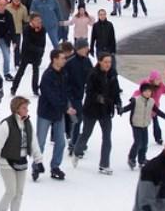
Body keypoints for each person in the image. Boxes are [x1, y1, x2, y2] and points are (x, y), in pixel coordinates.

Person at [0, 96, 45, 211]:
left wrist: (38, 161)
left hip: (21, 162)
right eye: (24, 108)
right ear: (16, 109)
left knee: (19, 193)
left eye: (27, 108)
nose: (27, 110)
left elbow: (34, 143)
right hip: (6, 162)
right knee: (11, 192)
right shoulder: (6, 124)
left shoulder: (28, 124)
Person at [72, 53, 121, 175]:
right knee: (86, 133)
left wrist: (118, 103)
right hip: (91, 110)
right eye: (105, 62)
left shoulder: (113, 74)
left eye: (109, 62)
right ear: (99, 62)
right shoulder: (93, 74)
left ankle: (104, 164)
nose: (108, 64)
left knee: (107, 137)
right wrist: (99, 98)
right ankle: (77, 151)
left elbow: (116, 91)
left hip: (106, 111)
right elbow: (89, 91)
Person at [35, 49, 75, 181]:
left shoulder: (64, 73)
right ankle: (36, 165)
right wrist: (65, 107)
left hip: (59, 113)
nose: (64, 60)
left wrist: (68, 105)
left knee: (61, 142)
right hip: (46, 112)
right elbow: (49, 95)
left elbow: (65, 92)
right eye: (62, 58)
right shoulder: (47, 76)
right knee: (40, 141)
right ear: (54, 59)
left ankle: (55, 166)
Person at [122, 83, 165, 170]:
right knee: (138, 142)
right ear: (142, 92)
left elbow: (158, 111)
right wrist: (121, 110)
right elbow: (128, 107)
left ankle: (142, 160)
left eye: (149, 91)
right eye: (146, 91)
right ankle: (131, 158)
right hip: (136, 124)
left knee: (145, 144)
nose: (148, 93)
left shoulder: (151, 102)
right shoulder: (136, 100)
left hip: (145, 125)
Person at [63, 39, 92, 155]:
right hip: (71, 96)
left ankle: (74, 142)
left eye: (87, 47)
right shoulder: (70, 62)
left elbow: (91, 76)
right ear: (78, 49)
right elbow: (64, 80)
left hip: (80, 94)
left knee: (78, 119)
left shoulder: (86, 61)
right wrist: (68, 94)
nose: (87, 49)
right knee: (77, 119)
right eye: (85, 48)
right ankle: (74, 144)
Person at [133, 71, 165, 145]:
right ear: (152, 80)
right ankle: (141, 138)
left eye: (159, 79)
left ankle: (158, 138)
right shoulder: (146, 86)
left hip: (154, 109)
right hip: (145, 110)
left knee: (156, 124)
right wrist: (133, 98)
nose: (159, 81)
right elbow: (138, 92)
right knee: (144, 125)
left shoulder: (160, 86)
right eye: (157, 79)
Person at [11, 13, 46, 96]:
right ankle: (14, 88)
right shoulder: (27, 29)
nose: (39, 22)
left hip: (36, 55)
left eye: (39, 21)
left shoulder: (43, 29)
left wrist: (41, 53)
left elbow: (42, 43)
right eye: (36, 20)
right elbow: (27, 44)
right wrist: (38, 49)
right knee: (21, 71)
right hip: (26, 53)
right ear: (32, 21)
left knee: (36, 72)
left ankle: (35, 89)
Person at [5, 0, 29, 68]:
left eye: (18, 0)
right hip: (8, 31)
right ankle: (7, 63)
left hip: (17, 30)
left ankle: (17, 63)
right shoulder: (7, 7)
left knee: (17, 48)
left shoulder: (23, 8)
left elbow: (25, 19)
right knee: (6, 48)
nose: (16, 1)